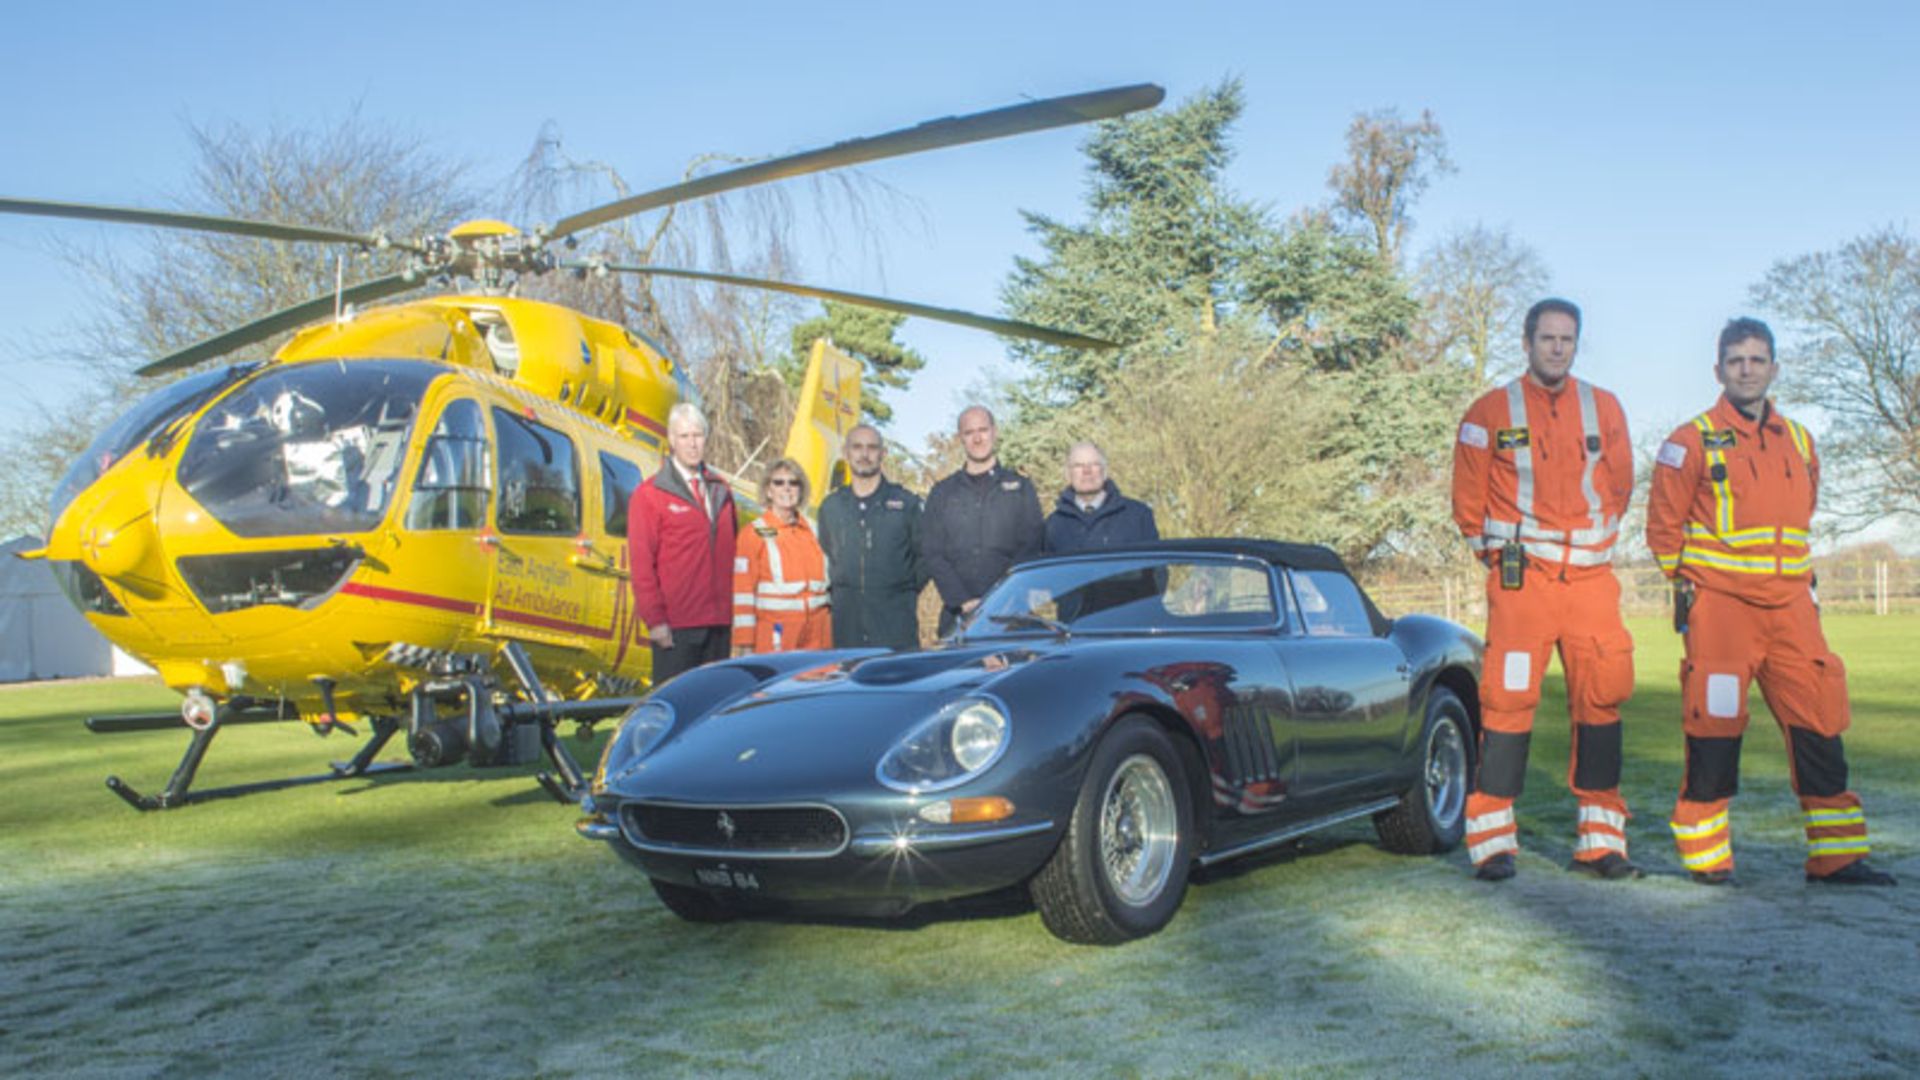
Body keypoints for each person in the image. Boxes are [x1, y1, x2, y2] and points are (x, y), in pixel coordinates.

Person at [1646, 318, 1895, 887]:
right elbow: (1663, 531)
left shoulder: (1802, 440)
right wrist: (1695, 589)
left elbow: (1800, 517)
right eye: (1736, 360)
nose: (1747, 369)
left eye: (1758, 360)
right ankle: (1709, 861)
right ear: (1719, 370)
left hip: (1790, 611)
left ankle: (1839, 856)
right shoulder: (1688, 441)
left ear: (1774, 368)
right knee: (1715, 727)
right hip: (1722, 612)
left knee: (1819, 720)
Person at [1451, 298, 1640, 882]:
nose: (1557, 348)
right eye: (1548, 338)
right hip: (1522, 585)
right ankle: (1492, 842)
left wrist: (1586, 547)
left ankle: (1601, 843)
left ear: (1575, 345)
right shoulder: (1489, 411)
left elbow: (1620, 484)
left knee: (1601, 701)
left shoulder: (1603, 406)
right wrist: (1504, 559)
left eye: (1567, 339)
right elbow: (1468, 501)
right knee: (1506, 706)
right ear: (1527, 342)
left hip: (1589, 586)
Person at [628, 402, 736, 685]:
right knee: (677, 710)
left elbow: (732, 555)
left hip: (720, 625)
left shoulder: (721, 490)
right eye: (685, 436)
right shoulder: (649, 495)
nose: (692, 443)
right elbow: (641, 565)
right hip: (677, 628)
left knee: (717, 710)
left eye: (698, 435)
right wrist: (655, 621)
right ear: (672, 440)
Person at [921, 405, 1044, 636]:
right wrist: (963, 601)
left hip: (1012, 616)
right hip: (957, 618)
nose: (977, 438)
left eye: (983, 430)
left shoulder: (1020, 488)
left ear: (994, 432)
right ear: (960, 438)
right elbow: (933, 552)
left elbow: (1032, 545)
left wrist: (1003, 598)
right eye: (969, 433)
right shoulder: (942, 493)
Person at [816, 424, 926, 650]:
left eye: (872, 448)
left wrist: (901, 588)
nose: (864, 455)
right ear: (846, 453)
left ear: (882, 454)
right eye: (857, 447)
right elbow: (826, 556)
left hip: (895, 627)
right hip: (846, 627)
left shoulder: (906, 504)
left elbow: (925, 556)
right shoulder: (831, 507)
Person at [730, 458, 831, 655]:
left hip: (819, 633)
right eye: (779, 482)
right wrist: (745, 642)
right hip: (777, 634)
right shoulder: (753, 533)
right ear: (768, 490)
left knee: (820, 684)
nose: (787, 488)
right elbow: (743, 592)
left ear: (801, 490)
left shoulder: (815, 530)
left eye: (793, 483)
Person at [1043, 441, 1159, 553]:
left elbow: (1155, 568)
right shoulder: (1053, 526)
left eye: (1094, 464)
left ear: (1105, 472)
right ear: (1068, 474)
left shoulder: (1138, 516)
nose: (1087, 471)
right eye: (1078, 465)